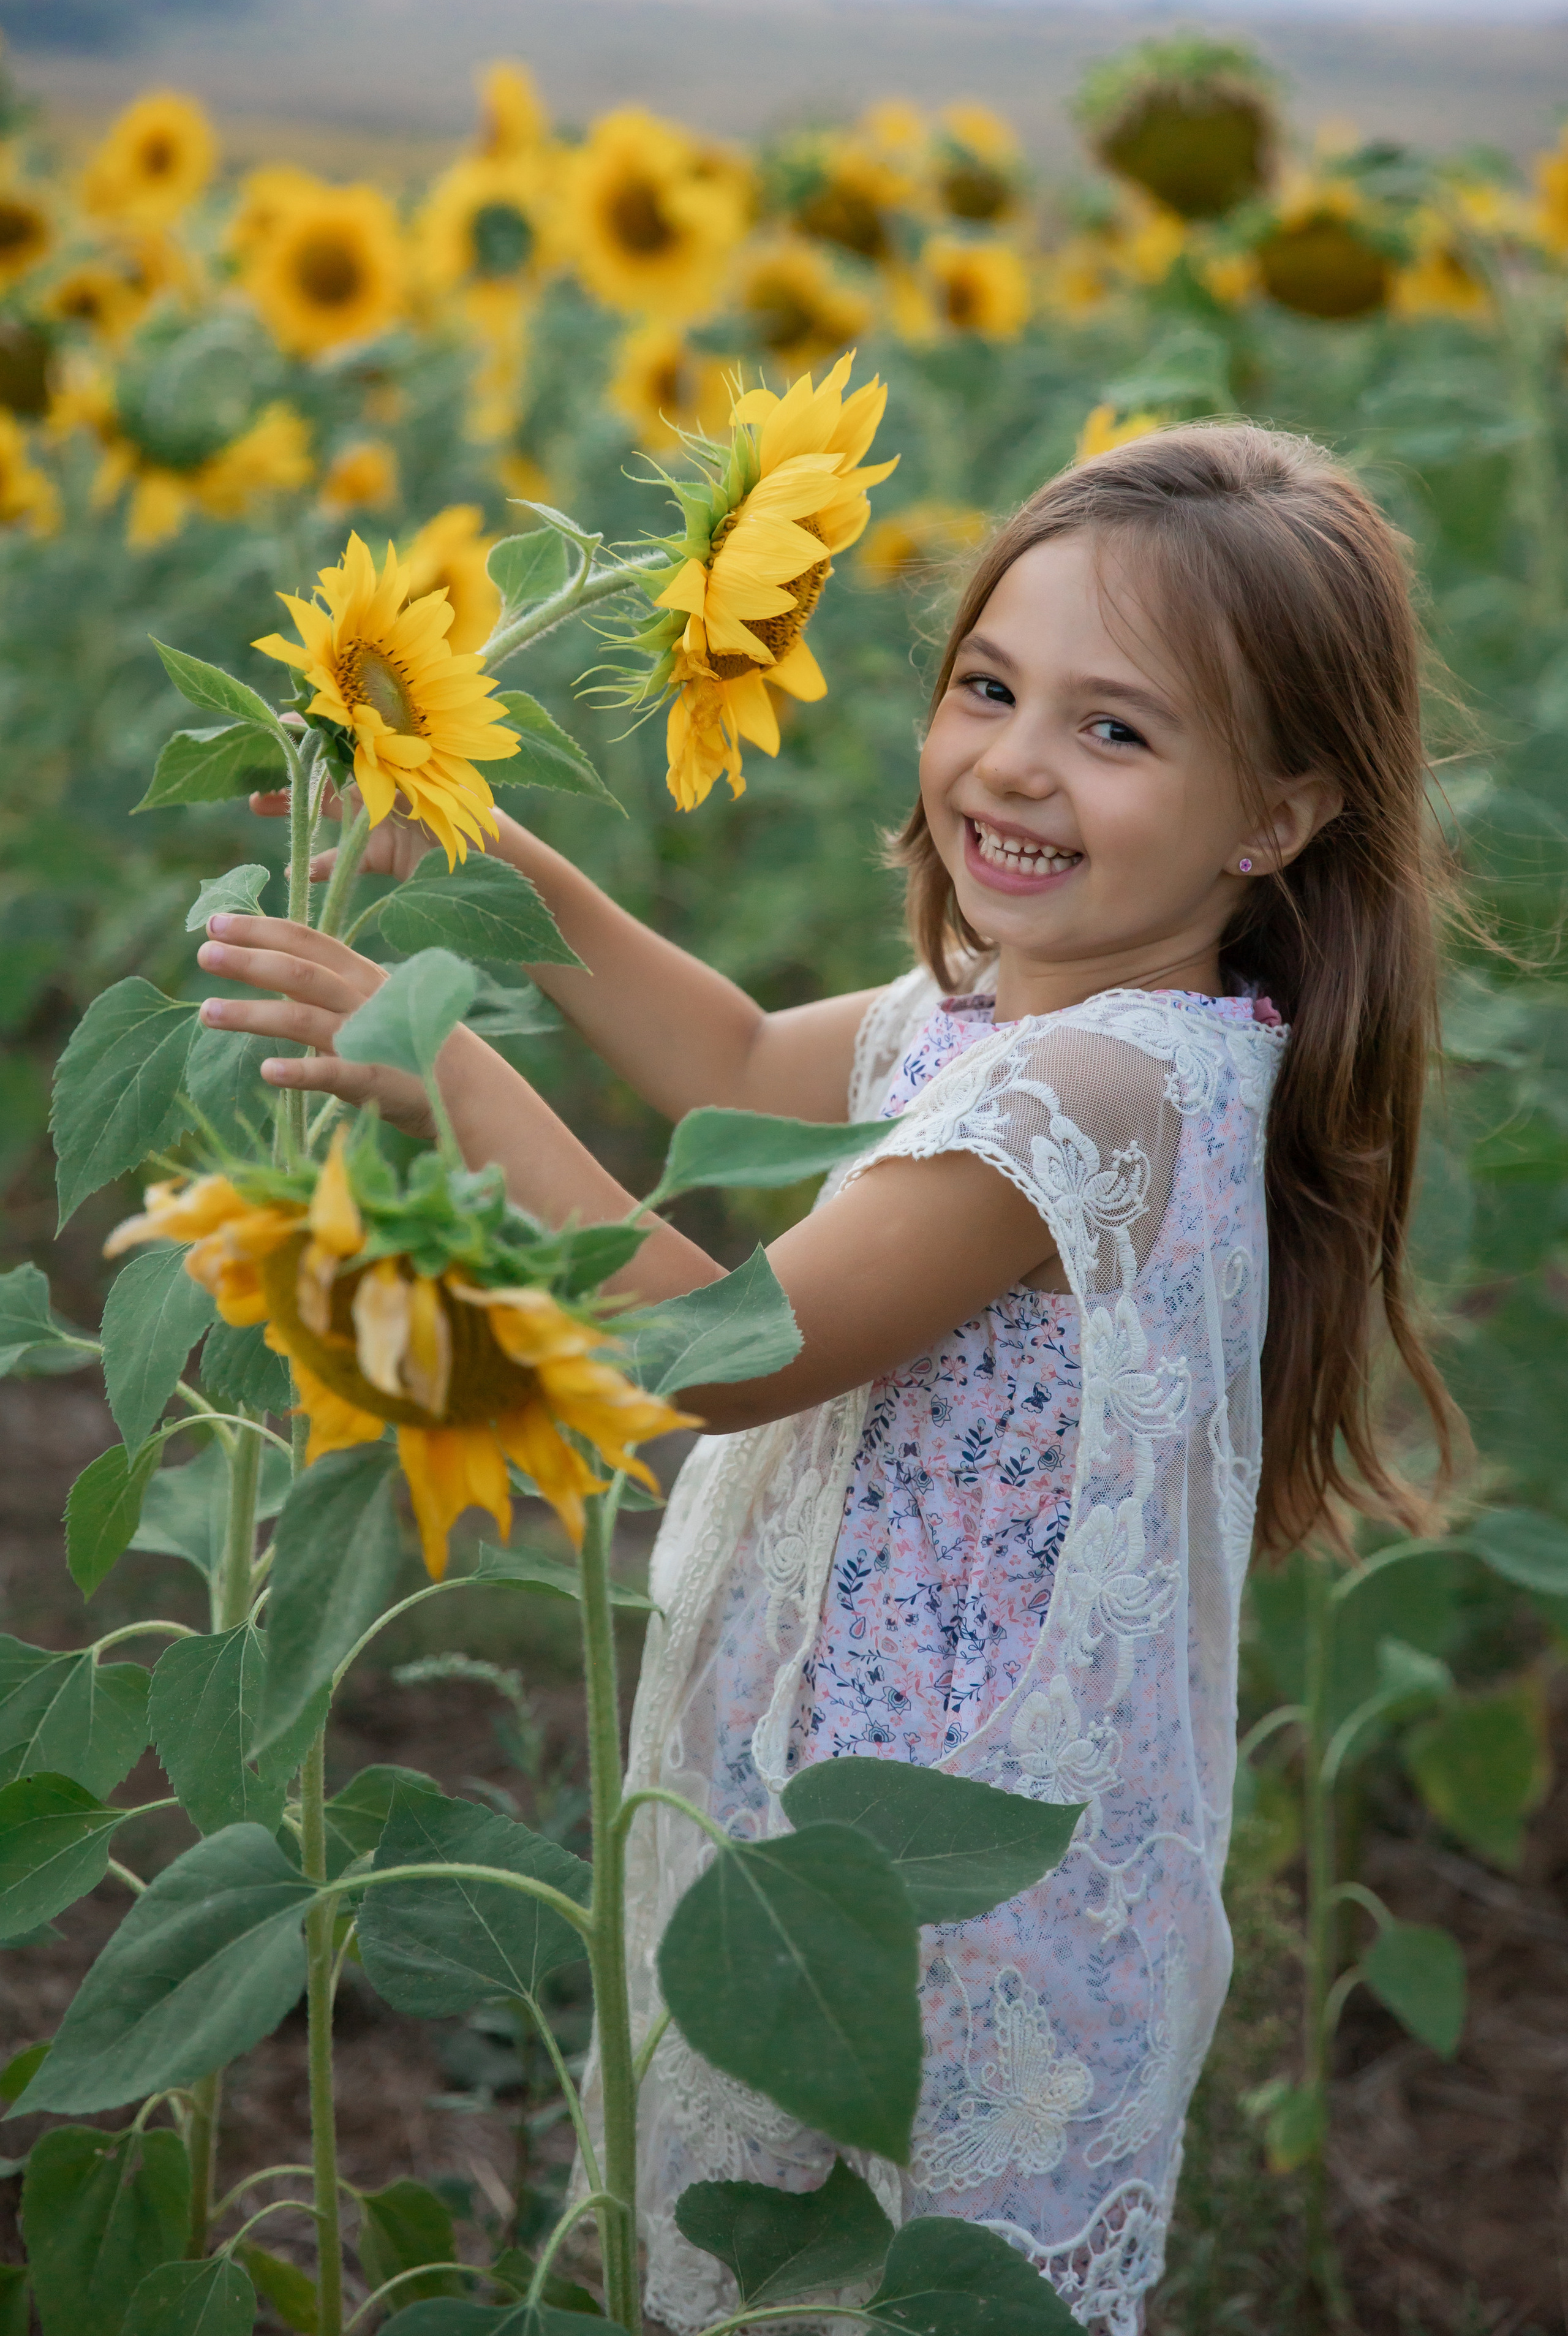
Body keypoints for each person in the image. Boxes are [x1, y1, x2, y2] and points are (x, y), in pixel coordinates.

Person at [198, 423, 1460, 2333]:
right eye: (988, 687)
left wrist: (455, 1074)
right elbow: (716, 1054)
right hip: (832, 1825)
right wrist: (465, 826)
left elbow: (724, 1357)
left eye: (1116, 734)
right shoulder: (992, 1023)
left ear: (1277, 817)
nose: (1017, 763)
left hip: (945, 1909)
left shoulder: (1094, 1090)